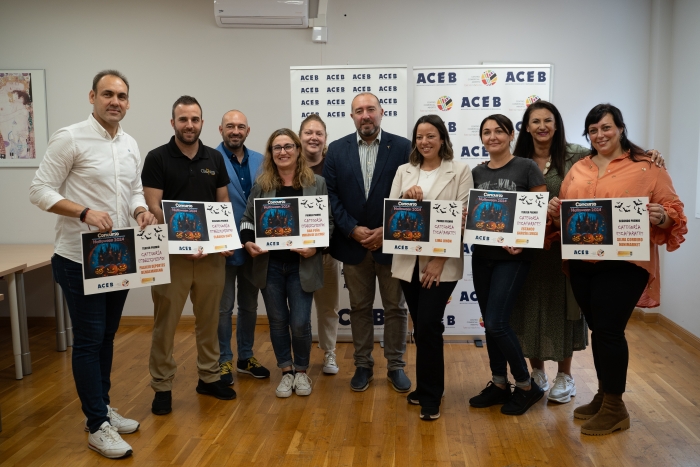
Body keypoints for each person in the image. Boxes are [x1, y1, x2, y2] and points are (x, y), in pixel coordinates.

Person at [29, 70, 157, 459]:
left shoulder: (130, 142)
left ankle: (100, 408)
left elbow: (133, 188)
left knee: (106, 336)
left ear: (128, 102)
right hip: (77, 257)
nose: (114, 101)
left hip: (117, 257)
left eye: (121, 96)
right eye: (107, 94)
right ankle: (96, 424)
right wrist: (83, 212)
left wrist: (139, 208)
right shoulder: (70, 137)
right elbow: (39, 190)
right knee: (88, 339)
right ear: (92, 97)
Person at [511, 100, 665, 404]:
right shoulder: (517, 161)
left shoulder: (579, 157)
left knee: (567, 312)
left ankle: (566, 376)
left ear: (557, 124)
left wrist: (651, 154)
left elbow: (621, 166)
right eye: (535, 121)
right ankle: (537, 372)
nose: (542, 126)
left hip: (571, 252)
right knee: (531, 309)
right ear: (526, 127)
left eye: (548, 120)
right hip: (529, 249)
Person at [548, 103, 687, 435]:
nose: (600, 135)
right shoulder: (579, 168)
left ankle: (616, 408)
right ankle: (604, 394)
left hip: (625, 262)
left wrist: (662, 216)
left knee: (609, 331)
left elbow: (673, 208)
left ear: (621, 128)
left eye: (606, 128)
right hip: (583, 262)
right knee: (601, 331)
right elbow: (565, 215)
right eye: (593, 130)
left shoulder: (647, 167)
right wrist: (555, 211)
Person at [142, 96, 236, 416]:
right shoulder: (157, 158)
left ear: (202, 123)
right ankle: (162, 386)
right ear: (173, 123)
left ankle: (209, 377)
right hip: (171, 257)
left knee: (209, 321)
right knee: (165, 324)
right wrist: (183, 242)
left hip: (210, 256)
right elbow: (153, 205)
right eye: (183, 119)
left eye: (195, 119)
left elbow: (223, 204)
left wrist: (221, 239)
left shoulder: (214, 157)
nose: (189, 125)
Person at [323, 92, 412, 392]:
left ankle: (396, 366)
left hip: (391, 243)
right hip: (353, 244)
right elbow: (330, 196)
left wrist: (385, 231)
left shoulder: (402, 147)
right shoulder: (336, 150)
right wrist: (352, 229)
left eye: (370, 109)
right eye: (359, 111)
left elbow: (409, 194)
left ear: (381, 112)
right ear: (352, 116)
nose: (365, 115)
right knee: (359, 308)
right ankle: (363, 365)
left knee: (396, 309)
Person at [389, 115, 473, 420]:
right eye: (420, 137)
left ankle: (431, 396)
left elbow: (461, 218)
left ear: (442, 139)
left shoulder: (460, 170)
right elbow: (393, 213)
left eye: (431, 136)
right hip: (407, 262)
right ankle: (428, 386)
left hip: (441, 264)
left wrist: (438, 260)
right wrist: (406, 197)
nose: (425, 142)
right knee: (423, 327)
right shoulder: (404, 170)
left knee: (427, 324)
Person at [239, 128, 333, 397]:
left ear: (298, 150)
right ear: (270, 153)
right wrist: (248, 242)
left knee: (301, 322)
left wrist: (316, 247)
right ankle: (286, 370)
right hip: (270, 266)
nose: (283, 152)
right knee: (278, 320)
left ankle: (302, 371)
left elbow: (329, 223)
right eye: (277, 147)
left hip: (302, 265)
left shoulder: (316, 183)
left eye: (288, 146)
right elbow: (247, 220)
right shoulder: (262, 186)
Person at [467, 114, 547, 416]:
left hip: (513, 258)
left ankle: (526, 386)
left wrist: (523, 242)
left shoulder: (527, 167)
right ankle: (499, 383)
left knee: (499, 323)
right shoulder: (476, 172)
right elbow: (472, 214)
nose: (492, 137)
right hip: (483, 256)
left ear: (510, 134)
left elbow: (538, 214)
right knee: (490, 323)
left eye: (498, 131)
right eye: (486, 132)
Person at [215, 110, 270, 384]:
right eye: (230, 126)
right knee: (223, 308)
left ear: (248, 131)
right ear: (220, 129)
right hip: (223, 248)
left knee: (249, 306)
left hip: (254, 248)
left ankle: (245, 356)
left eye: (240, 126)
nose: (235, 131)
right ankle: (223, 360)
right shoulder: (210, 159)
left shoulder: (262, 161)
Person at [298, 114, 341, 375]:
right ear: (299, 137)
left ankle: (330, 353)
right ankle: (298, 356)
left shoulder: (333, 167)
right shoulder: (287, 164)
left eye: (319, 133)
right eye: (308, 132)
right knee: (297, 310)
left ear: (325, 139)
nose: (313, 137)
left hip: (325, 251)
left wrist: (322, 244)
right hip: (293, 253)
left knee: (327, 306)